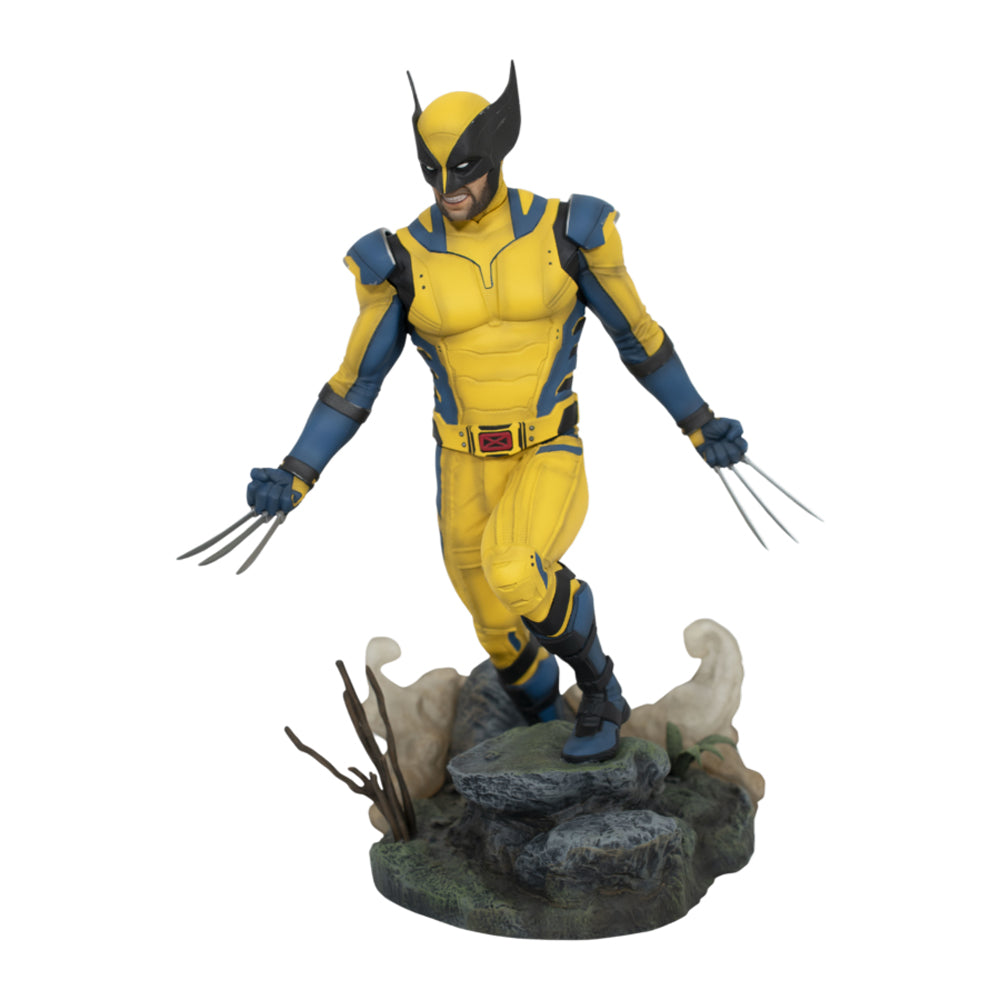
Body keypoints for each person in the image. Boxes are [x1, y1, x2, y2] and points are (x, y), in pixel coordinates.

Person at [244, 63, 748, 764]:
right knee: (494, 623)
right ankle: (542, 725)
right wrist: (298, 470)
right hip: (462, 462)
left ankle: (600, 688)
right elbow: (356, 383)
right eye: (433, 172)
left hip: (547, 446)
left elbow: (638, 337)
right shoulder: (400, 259)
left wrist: (698, 420)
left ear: (498, 152)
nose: (448, 188)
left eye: (465, 169)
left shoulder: (568, 231)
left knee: (514, 568)